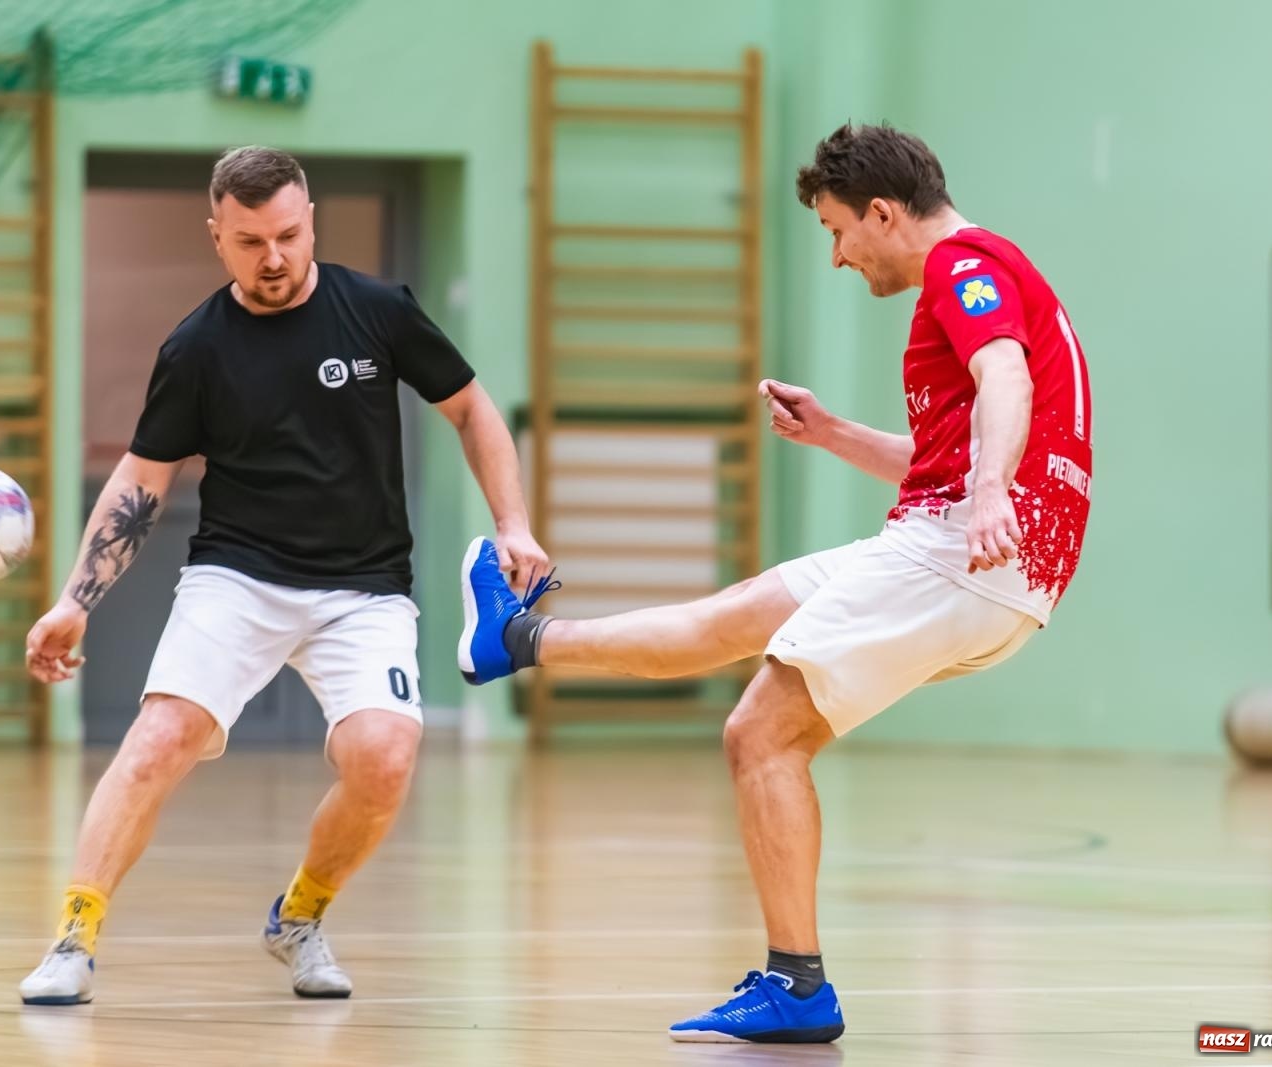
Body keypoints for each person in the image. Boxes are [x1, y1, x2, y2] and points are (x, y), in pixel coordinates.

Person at [457, 122, 1093, 1044]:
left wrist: (991, 490)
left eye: (838, 231)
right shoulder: (994, 269)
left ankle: (798, 986)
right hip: (979, 554)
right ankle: (513, 640)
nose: (836, 256)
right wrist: (836, 432)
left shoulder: (964, 264)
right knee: (734, 617)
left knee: (760, 734)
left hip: (965, 550)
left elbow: (1004, 376)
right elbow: (952, 451)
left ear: (882, 212)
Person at [18, 146, 547, 1005]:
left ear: (311, 224)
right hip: (239, 576)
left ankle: (298, 917)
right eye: (250, 240)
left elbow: (470, 407)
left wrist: (513, 523)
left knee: (383, 758)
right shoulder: (196, 347)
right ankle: (74, 935)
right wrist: (74, 602)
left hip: (366, 587)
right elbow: (141, 480)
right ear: (217, 238)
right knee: (158, 740)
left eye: (289, 235)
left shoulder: (375, 312)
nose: (273, 257)